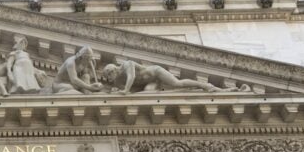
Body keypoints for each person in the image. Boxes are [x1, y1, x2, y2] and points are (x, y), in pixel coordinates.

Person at [101, 58, 239, 93]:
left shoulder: (127, 64)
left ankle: (204, 85)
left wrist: (125, 90)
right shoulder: (118, 81)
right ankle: (192, 90)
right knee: (148, 93)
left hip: (156, 72)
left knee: (177, 83)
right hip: (150, 83)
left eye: (109, 76)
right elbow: (129, 91)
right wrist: (117, 90)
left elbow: (131, 77)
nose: (109, 80)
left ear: (112, 71)